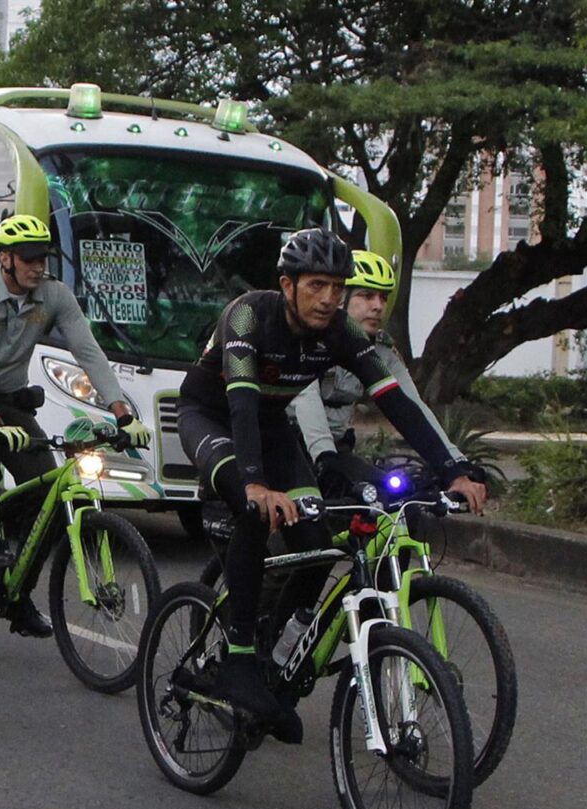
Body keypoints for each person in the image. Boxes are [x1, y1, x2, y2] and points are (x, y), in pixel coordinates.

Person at [176, 228, 485, 742]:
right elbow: (242, 408)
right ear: (288, 284)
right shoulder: (249, 315)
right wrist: (254, 484)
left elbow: (396, 402)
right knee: (256, 511)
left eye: (337, 287)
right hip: (213, 418)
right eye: (317, 285)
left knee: (316, 543)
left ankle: (275, 660)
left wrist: (451, 468)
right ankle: (239, 657)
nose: (329, 298)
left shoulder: (339, 330)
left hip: (270, 426)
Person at [0, 213, 148, 637]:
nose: (38, 266)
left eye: (43, 258)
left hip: (12, 396)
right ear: (5, 260)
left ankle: (17, 596)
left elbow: (89, 352)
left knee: (47, 492)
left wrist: (123, 412)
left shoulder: (54, 295)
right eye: (29, 258)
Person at [287, 249, 462, 493]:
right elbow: (307, 400)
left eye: (383, 297)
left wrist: (456, 464)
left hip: (337, 451)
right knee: (306, 522)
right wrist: (325, 458)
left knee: (397, 502)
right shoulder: (309, 340)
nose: (378, 306)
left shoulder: (381, 350)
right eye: (367, 296)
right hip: (288, 448)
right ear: (340, 298)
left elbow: (413, 406)